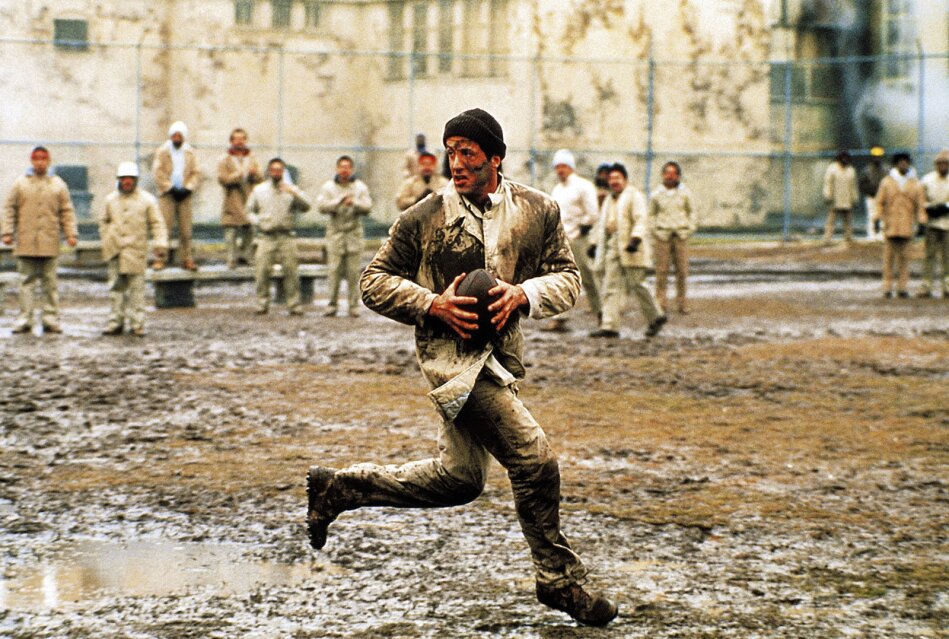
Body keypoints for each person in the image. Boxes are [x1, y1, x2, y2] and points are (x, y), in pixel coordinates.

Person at [306, 108, 618, 627]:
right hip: (452, 365)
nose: (456, 163)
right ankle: (557, 579)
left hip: (500, 361)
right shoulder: (424, 216)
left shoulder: (537, 210)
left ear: (495, 158)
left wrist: (523, 294)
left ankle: (341, 487)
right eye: (450, 152)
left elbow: (568, 278)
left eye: (467, 153)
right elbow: (372, 281)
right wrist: (433, 304)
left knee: (461, 479)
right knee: (535, 460)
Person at [2, 146, 78, 334]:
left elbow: (66, 211)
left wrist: (71, 234)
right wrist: (7, 232)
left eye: (43, 158)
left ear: (49, 161)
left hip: (49, 241)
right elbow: (9, 208)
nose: (40, 162)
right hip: (26, 241)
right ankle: (24, 319)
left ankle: (50, 319)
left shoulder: (58, 184)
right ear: (31, 160)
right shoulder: (20, 183)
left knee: (50, 284)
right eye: (36, 158)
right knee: (25, 283)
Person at [589, 163, 666, 339]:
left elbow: (641, 220)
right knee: (610, 286)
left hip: (631, 247)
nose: (614, 181)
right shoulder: (609, 200)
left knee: (638, 284)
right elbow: (602, 224)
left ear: (625, 179)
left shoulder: (634, 196)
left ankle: (656, 316)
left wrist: (635, 239)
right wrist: (594, 243)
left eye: (617, 178)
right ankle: (609, 326)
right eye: (611, 178)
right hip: (613, 246)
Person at [99, 162, 168, 337]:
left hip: (136, 250)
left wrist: (160, 243)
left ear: (136, 180)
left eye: (130, 178)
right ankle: (115, 322)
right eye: (124, 178)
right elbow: (104, 221)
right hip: (115, 250)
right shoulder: (110, 200)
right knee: (115, 289)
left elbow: (157, 223)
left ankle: (137, 324)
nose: (127, 182)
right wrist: (107, 239)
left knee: (137, 290)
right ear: (119, 180)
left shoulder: (147, 200)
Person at [543, 149, 601, 332]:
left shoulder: (583, 186)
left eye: (564, 166)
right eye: (558, 166)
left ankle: (603, 312)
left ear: (571, 167)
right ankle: (560, 318)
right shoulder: (557, 189)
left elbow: (593, 213)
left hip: (578, 239)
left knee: (588, 277)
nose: (560, 170)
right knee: (560, 278)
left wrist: (583, 228)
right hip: (561, 239)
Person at [246, 158, 312, 315]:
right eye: (273, 169)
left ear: (283, 172)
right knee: (262, 271)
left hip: (286, 236)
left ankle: (294, 305)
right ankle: (262, 304)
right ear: (269, 171)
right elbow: (249, 211)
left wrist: (294, 193)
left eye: (279, 170)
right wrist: (258, 222)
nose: (276, 173)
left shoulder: (291, 190)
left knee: (291, 272)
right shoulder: (259, 190)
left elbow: (307, 206)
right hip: (266, 237)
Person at [317, 155, 372, 317]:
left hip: (354, 234)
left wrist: (354, 203)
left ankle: (353, 306)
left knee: (353, 273)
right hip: (335, 234)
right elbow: (321, 206)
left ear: (352, 169)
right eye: (341, 167)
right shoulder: (328, 187)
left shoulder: (360, 187)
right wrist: (338, 201)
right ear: (337, 168)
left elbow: (368, 206)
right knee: (333, 271)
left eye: (347, 167)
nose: (344, 170)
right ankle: (331, 305)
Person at [872, 152, 926, 298]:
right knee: (888, 260)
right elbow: (879, 202)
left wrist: (922, 222)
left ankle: (902, 288)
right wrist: (876, 218)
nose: (903, 164)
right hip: (890, 225)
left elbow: (920, 205)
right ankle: (887, 287)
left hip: (907, 226)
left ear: (909, 163)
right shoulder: (887, 182)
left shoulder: (916, 183)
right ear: (896, 164)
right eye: (900, 162)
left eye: (905, 162)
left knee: (904, 260)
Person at [649, 161, 696, 314]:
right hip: (663, 236)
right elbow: (651, 214)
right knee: (661, 271)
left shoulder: (685, 193)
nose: (670, 176)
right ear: (663, 175)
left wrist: (689, 229)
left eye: (673, 173)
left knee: (682, 271)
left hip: (680, 236)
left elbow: (692, 212)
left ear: (678, 176)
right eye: (667, 173)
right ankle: (660, 303)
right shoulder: (656, 194)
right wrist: (655, 231)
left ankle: (682, 303)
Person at [152, 121, 200, 270]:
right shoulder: (162, 151)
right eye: (174, 135)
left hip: (184, 195)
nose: (177, 138)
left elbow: (196, 172)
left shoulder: (190, 152)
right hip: (167, 194)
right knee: (163, 227)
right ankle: (160, 258)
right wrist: (170, 188)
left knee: (186, 229)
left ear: (184, 137)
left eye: (179, 135)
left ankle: (187, 259)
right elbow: (158, 172)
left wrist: (188, 188)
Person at [217, 128, 263, 269]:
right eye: (236, 139)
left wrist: (254, 174)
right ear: (231, 141)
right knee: (231, 231)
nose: (239, 142)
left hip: (249, 199)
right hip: (232, 200)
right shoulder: (224, 159)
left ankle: (247, 256)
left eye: (242, 138)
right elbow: (222, 179)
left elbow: (261, 177)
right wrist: (240, 175)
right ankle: (231, 259)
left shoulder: (253, 158)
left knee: (249, 229)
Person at [918, 149, 949, 298]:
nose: (943, 166)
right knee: (929, 255)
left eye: (945, 163)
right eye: (940, 163)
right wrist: (929, 209)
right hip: (932, 223)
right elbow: (921, 199)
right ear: (936, 165)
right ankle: (926, 285)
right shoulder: (927, 180)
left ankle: (947, 286)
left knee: (947, 256)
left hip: (947, 223)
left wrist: (945, 207)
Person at [822, 150, 859, 245]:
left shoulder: (851, 170)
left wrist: (855, 198)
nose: (844, 160)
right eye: (843, 158)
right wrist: (828, 195)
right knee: (831, 221)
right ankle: (827, 238)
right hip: (835, 199)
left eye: (846, 158)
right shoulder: (832, 168)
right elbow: (828, 183)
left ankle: (848, 237)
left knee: (848, 220)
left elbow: (853, 186)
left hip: (847, 199)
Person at [860, 146, 887, 240]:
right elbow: (862, 184)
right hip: (871, 197)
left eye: (879, 156)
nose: (877, 158)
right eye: (875, 156)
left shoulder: (886, 169)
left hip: (884, 197)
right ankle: (871, 235)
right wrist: (871, 191)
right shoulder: (866, 170)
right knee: (871, 216)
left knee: (883, 216)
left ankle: (882, 235)